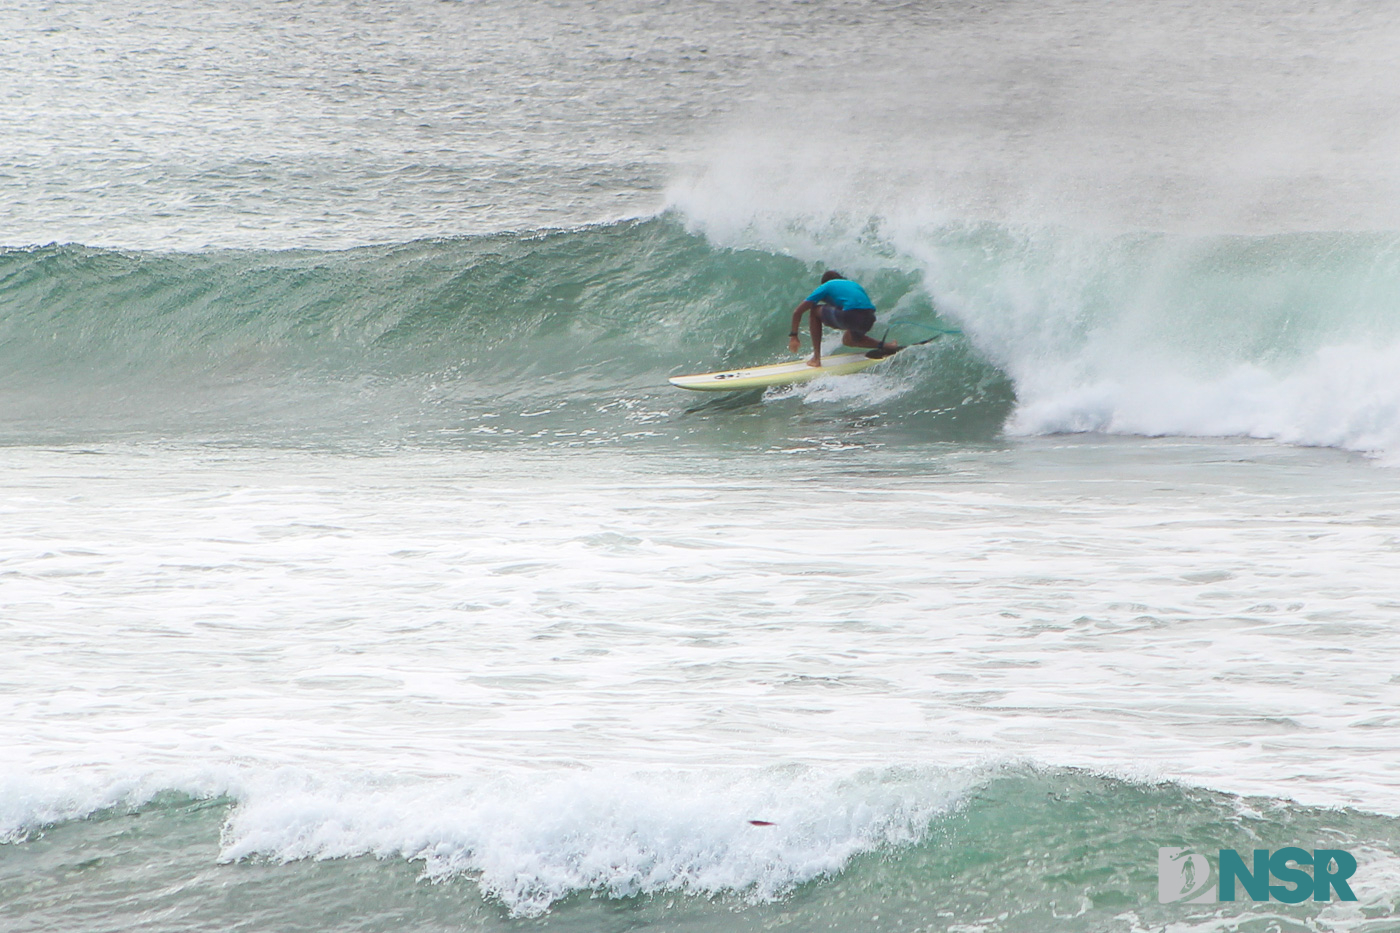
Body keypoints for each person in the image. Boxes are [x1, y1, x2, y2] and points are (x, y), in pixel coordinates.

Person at [788, 271, 897, 368]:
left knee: (814, 311)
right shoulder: (854, 285)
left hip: (850, 315)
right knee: (848, 340)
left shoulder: (826, 286)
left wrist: (794, 336)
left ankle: (816, 358)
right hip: (869, 318)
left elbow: (797, 311)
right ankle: (888, 346)